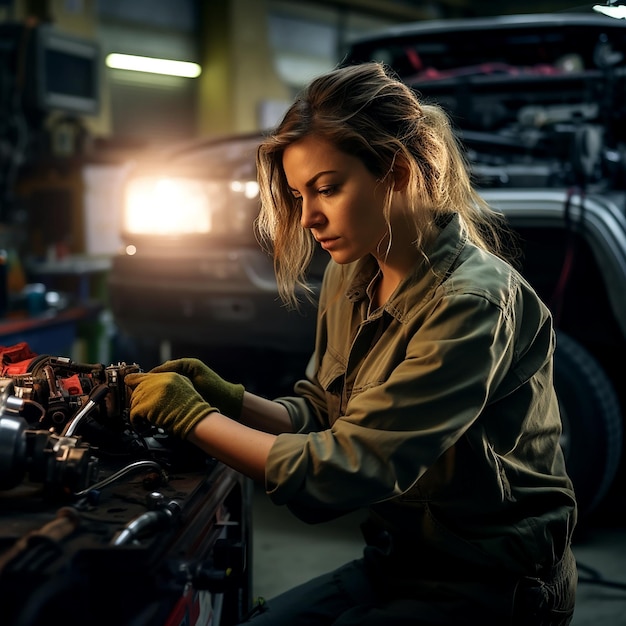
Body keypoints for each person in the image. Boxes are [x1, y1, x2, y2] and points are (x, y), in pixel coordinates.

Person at [125, 61, 578, 625]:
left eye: (327, 188)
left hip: (489, 586)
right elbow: (325, 416)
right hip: (399, 562)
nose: (309, 217)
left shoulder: (470, 305)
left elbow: (350, 468)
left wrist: (193, 419)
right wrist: (230, 401)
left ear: (398, 171)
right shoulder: (351, 270)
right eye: (297, 194)